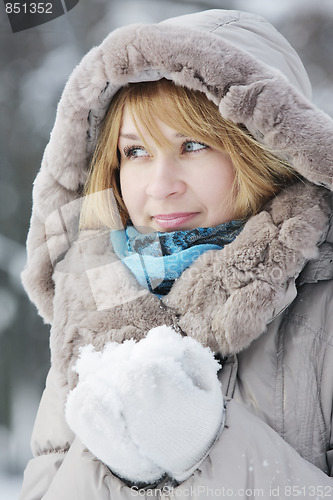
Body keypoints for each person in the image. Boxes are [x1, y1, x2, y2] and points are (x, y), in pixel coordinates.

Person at [19, 9, 333, 500]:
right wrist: (118, 468)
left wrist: (204, 450)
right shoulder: (91, 308)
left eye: (192, 145)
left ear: (266, 150)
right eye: (136, 152)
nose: (160, 187)